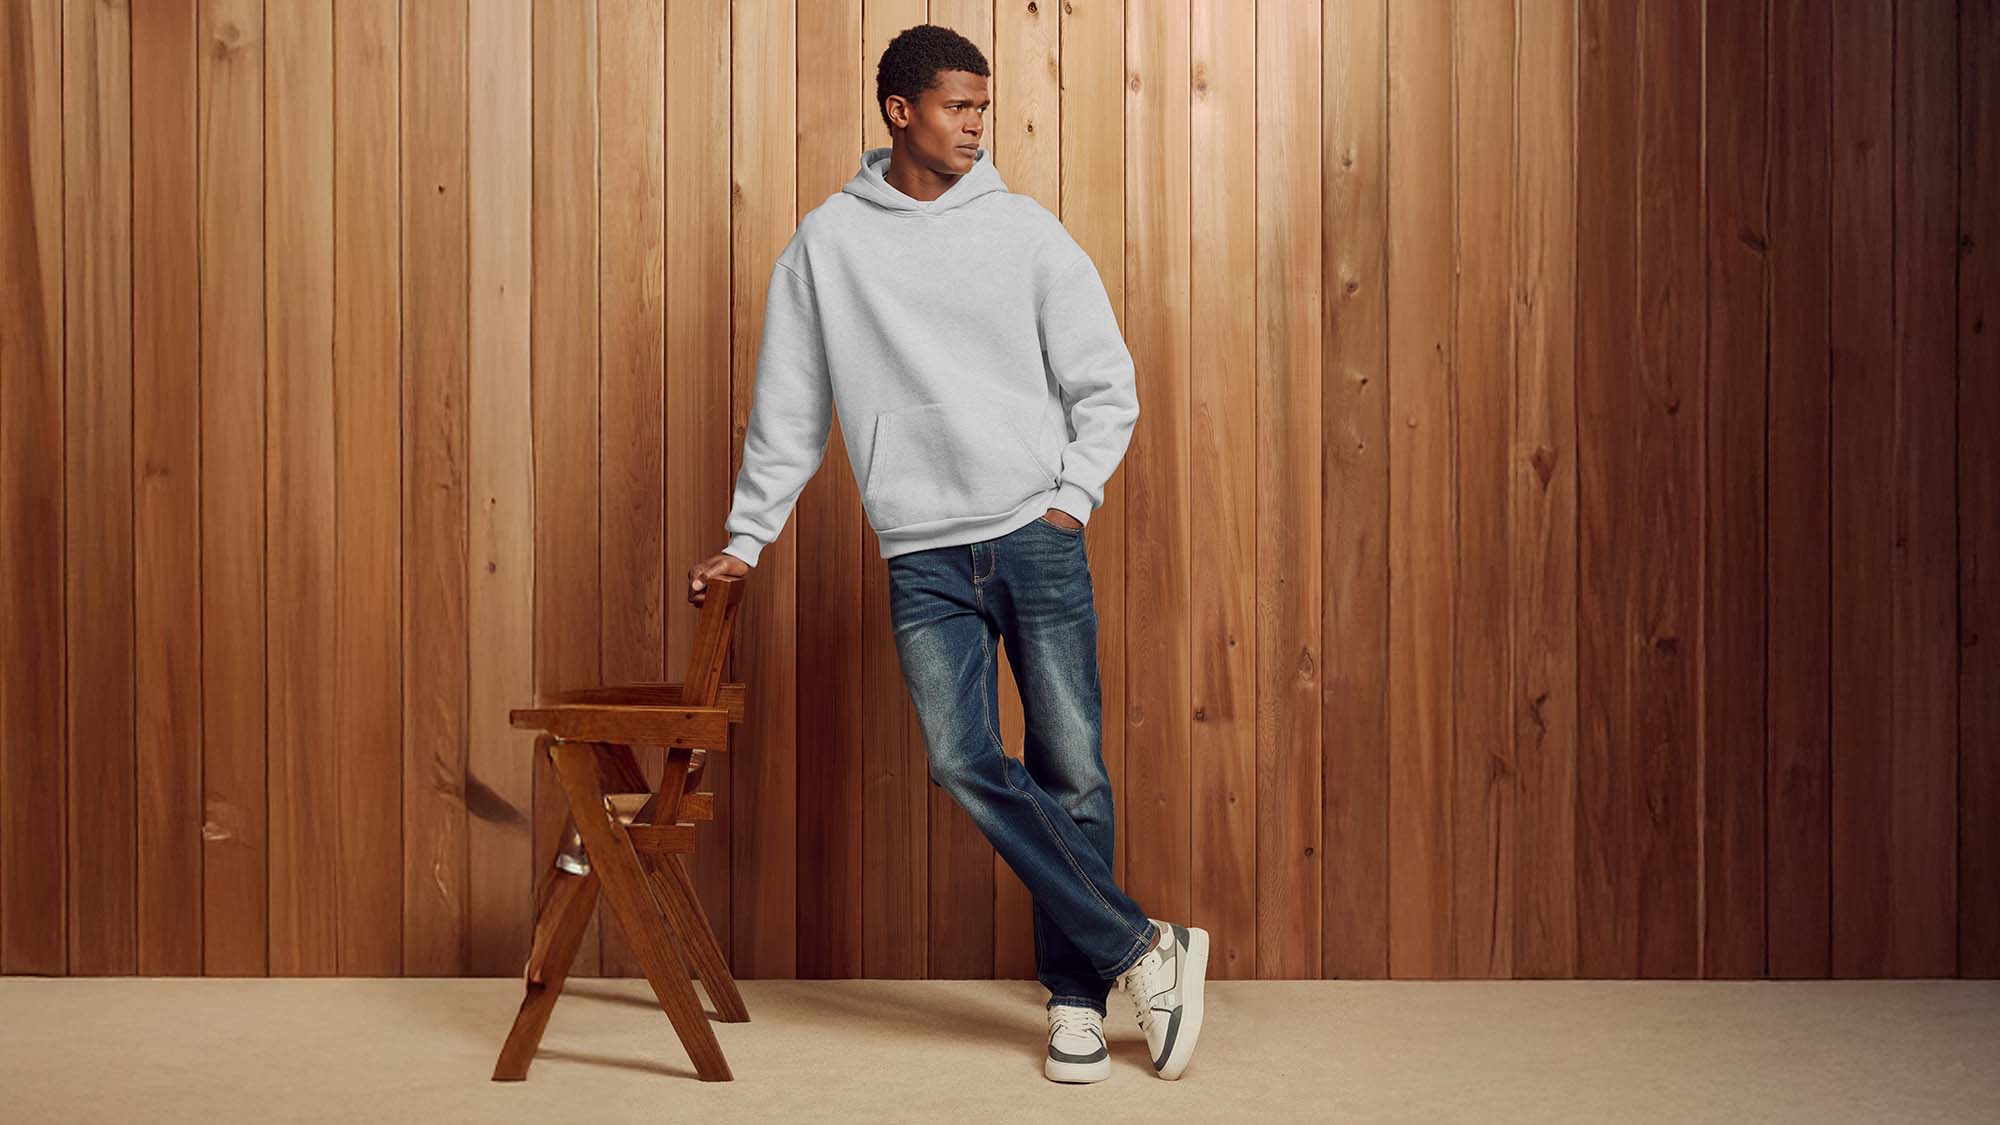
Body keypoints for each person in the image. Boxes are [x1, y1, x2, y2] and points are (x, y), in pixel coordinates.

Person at [684, 24, 1209, 1084]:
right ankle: (1143, 948)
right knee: (963, 761)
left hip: (1034, 535)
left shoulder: (1022, 233)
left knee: (1070, 770)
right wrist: (747, 539)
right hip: (920, 553)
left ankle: (1075, 1003)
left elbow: (1105, 381)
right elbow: (787, 413)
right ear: (899, 111)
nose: (978, 125)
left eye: (983, 106)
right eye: (958, 106)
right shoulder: (827, 246)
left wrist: (1068, 501)